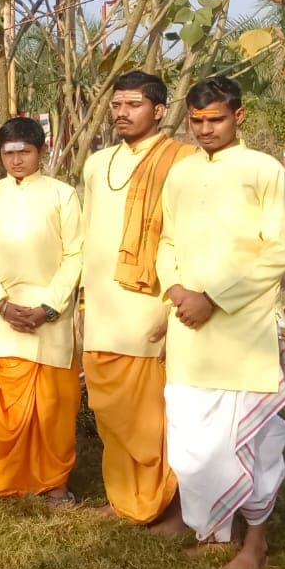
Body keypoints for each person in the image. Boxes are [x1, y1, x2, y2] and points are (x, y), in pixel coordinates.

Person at [158, 75, 285, 569]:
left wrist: (213, 298)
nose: (206, 129)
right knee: (192, 439)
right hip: (189, 332)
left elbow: (277, 251)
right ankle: (215, 532)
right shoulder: (182, 173)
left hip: (243, 330)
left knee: (253, 440)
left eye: (216, 119)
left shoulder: (263, 170)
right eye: (197, 121)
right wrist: (175, 289)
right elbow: (166, 241)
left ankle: (253, 544)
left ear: (239, 116)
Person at [78, 71, 192, 530]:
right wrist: (83, 299)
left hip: (150, 303)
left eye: (133, 105)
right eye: (117, 104)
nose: (122, 113)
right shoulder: (96, 163)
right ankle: (123, 497)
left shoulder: (180, 162)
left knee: (155, 417)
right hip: (103, 305)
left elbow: (187, 237)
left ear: (160, 110)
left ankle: (171, 503)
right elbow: (88, 234)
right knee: (110, 412)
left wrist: (173, 308)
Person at [0, 117, 83, 502]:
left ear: (40, 152)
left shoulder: (63, 195)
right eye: (8, 153)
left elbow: (76, 253)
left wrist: (48, 308)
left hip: (50, 313)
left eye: (24, 152)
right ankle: (4, 475)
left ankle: (53, 483)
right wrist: (0, 304)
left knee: (53, 408)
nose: (16, 160)